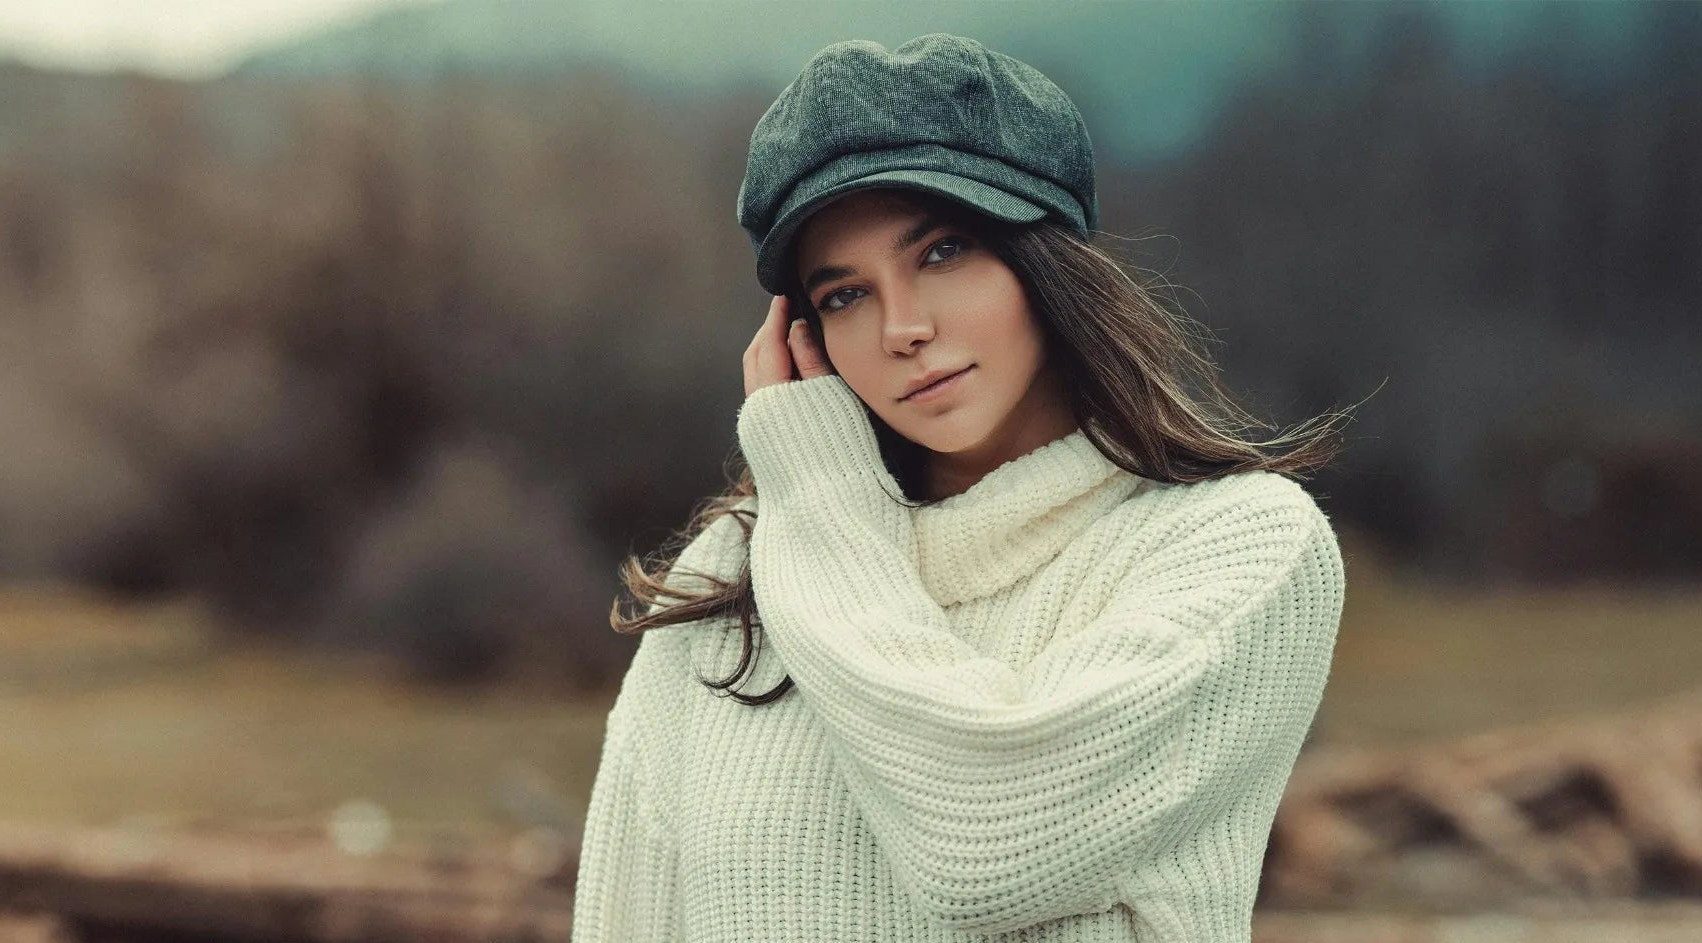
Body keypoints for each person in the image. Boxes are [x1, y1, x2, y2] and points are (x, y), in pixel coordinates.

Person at [571, 32, 1353, 942]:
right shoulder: (737, 573)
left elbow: (987, 849)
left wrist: (826, 508)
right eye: (844, 295)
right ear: (800, 338)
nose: (901, 327)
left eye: (943, 252)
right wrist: (806, 515)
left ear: (1047, 261)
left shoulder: (1238, 545)